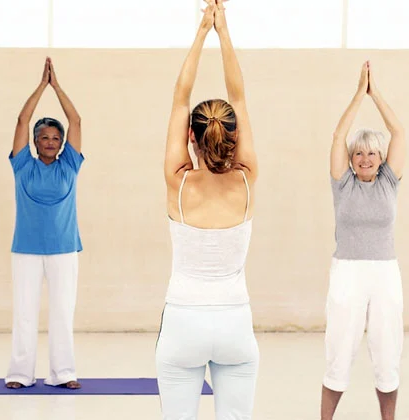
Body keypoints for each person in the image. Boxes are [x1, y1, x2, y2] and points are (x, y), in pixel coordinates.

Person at [155, 0, 260, 418]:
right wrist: (225, 29)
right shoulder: (248, 181)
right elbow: (239, 96)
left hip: (183, 322)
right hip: (235, 323)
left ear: (191, 139)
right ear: (234, 139)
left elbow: (180, 99)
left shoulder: (178, 182)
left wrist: (202, 30)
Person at [321, 60, 406, 420]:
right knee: (339, 352)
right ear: (352, 161)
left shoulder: (389, 181)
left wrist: (376, 93)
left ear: (382, 159)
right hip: (348, 272)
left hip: (385, 273)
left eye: (372, 153)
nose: (365, 158)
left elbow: (399, 133)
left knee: (387, 353)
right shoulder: (343, 184)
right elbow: (338, 137)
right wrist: (359, 94)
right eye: (359, 153)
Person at [5, 57, 84, 390]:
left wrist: (58, 86)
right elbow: (23, 118)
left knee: (62, 313)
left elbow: (76, 119)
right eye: (44, 137)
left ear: (62, 143)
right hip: (26, 250)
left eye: (55, 137)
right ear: (35, 142)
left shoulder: (70, 165)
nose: (50, 141)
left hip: (65, 250)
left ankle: (62, 373)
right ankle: (20, 373)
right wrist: (41, 87)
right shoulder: (23, 165)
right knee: (24, 312)